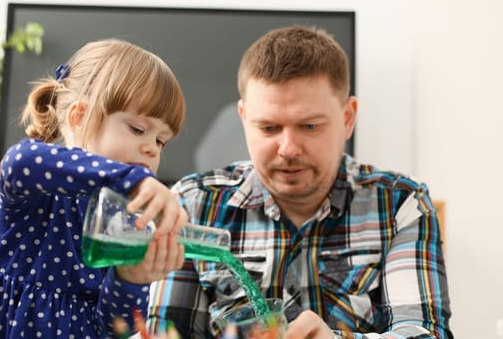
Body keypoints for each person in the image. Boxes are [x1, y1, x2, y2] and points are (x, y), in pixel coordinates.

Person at [148, 25, 453, 338]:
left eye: (309, 126)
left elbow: (422, 332)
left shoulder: (400, 204)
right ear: (244, 119)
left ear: (348, 118)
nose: (288, 149)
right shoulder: (193, 203)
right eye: (268, 128)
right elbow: (163, 334)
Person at [0, 38, 189, 338]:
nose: (151, 150)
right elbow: (19, 160)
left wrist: (132, 278)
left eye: (160, 141)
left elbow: (112, 328)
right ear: (79, 117)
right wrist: (128, 178)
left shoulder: (122, 222)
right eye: (138, 129)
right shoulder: (39, 189)